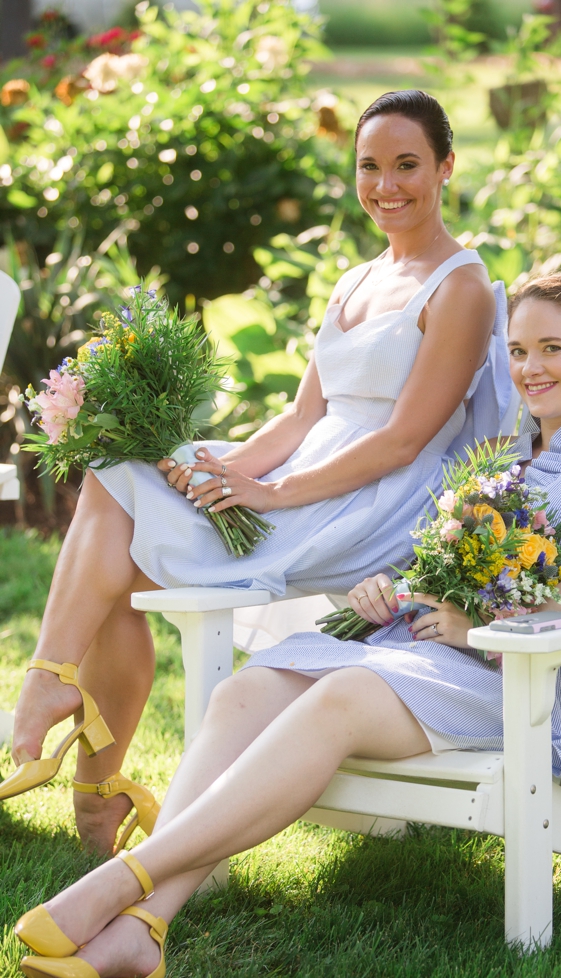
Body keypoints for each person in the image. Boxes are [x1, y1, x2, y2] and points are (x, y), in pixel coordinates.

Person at [10, 274, 561, 978]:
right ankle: (145, 928)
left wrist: (493, 622)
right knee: (248, 687)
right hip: (434, 652)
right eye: (517, 350)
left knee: (343, 697)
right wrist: (394, 589)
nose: (530, 367)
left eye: (552, 348)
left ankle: (118, 882)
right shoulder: (504, 456)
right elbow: (450, 564)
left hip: (538, 680)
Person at [3, 90, 504, 855]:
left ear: (446, 167)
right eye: (369, 166)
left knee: (119, 540)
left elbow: (405, 440)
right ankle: (87, 766)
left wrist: (267, 492)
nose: (387, 186)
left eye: (408, 165)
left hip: (375, 501)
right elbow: (301, 419)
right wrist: (211, 463)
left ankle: (62, 712)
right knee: (118, 475)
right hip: (309, 469)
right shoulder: (357, 280)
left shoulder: (460, 287)